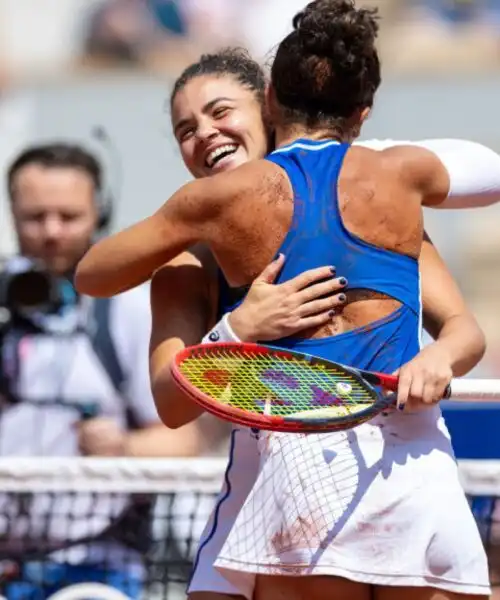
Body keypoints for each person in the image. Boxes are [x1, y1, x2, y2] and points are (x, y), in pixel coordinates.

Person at [75, 1, 500, 598]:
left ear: (268, 103)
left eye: (221, 112)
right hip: (271, 489)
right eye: (185, 130)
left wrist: (439, 358)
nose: (205, 135)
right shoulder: (185, 253)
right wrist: (236, 330)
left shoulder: (385, 193)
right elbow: (169, 401)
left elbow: (463, 330)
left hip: (394, 476)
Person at [0, 142, 207, 600]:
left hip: (93, 566)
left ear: (100, 214)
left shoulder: (129, 307)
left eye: (68, 216)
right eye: (35, 217)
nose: (51, 232)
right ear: (12, 214)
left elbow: (182, 440)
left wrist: (124, 445)